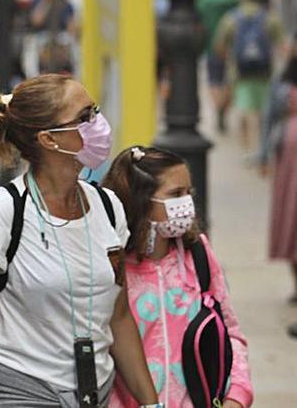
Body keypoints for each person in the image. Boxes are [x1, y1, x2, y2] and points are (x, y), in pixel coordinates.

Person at [0, 73, 159, 406]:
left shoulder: (108, 208)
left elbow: (119, 316)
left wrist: (152, 403)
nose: (98, 124)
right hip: (13, 387)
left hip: (91, 392)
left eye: (94, 111)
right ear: (49, 140)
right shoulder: (4, 210)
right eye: (83, 118)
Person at [101, 146, 253, 408]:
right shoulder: (111, 265)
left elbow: (230, 333)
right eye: (175, 194)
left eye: (188, 193)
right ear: (140, 200)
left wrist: (236, 395)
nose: (187, 203)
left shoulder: (199, 254)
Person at [214, 0, 282, 154]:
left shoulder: (232, 17)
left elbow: (220, 45)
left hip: (240, 72)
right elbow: (281, 44)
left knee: (244, 110)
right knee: (262, 112)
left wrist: (228, 58)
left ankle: (246, 148)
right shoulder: (269, 17)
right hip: (264, 71)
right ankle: (261, 148)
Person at [263, 41, 297, 304]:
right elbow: (271, 117)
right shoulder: (284, 81)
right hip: (289, 163)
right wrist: (264, 155)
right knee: (290, 220)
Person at [196, 0, 240, 133]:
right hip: (233, 47)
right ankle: (224, 108)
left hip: (211, 46)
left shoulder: (205, 0)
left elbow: (198, 20)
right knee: (229, 81)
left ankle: (218, 107)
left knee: (213, 81)